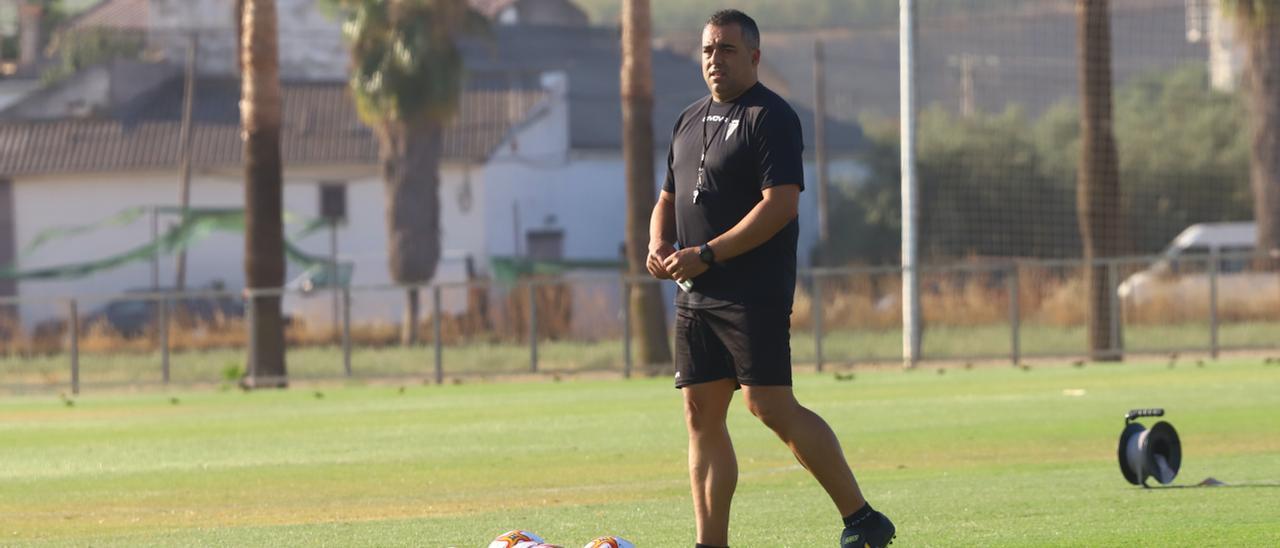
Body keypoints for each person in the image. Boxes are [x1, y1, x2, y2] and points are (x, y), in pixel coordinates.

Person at [645, 9, 896, 548]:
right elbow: (668, 195)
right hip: (696, 295)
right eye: (708, 49)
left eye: (728, 50)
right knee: (700, 415)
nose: (715, 59)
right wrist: (657, 243)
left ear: (754, 57)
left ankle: (863, 519)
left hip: (750, 292)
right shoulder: (688, 119)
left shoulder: (772, 116)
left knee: (769, 405)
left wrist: (707, 253)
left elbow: (780, 206)